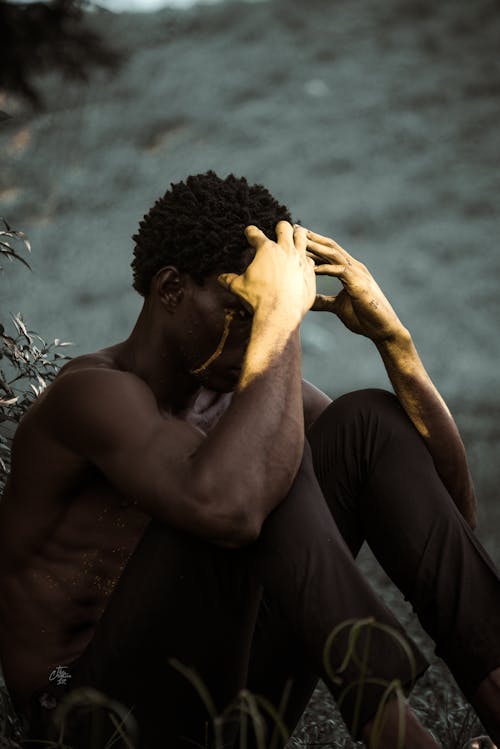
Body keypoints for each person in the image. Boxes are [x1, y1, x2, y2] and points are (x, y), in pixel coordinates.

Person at [0, 171, 499, 749]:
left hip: (225, 703)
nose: (260, 327)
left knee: (365, 423)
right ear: (170, 290)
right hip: (92, 722)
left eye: (268, 311)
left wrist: (396, 345)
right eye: (247, 309)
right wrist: (281, 321)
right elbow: (231, 508)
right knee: (262, 473)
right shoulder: (91, 396)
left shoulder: (236, 397)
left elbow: (448, 513)